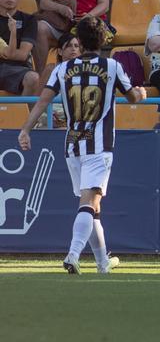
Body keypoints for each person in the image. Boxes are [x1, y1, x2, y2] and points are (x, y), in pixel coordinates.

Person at [18, 16, 148, 275]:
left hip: (72, 146)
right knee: (88, 203)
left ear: (81, 40)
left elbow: (42, 101)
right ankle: (73, 255)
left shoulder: (62, 69)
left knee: (93, 207)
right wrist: (142, 93)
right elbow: (133, 96)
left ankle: (103, 263)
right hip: (99, 146)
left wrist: (25, 129)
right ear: (102, 40)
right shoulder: (111, 66)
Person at [0, 0, 39, 96]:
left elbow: (22, 55)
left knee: (33, 78)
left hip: (17, 70)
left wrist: (7, 53)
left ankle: (27, 115)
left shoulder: (29, 19)